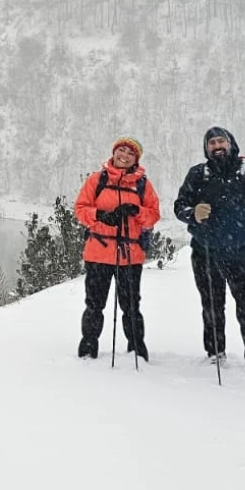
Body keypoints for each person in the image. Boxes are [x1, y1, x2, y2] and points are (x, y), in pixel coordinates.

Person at [173, 127, 245, 371]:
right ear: (206, 148)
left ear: (231, 143)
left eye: (221, 141)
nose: (217, 146)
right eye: (212, 143)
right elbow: (180, 205)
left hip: (242, 251)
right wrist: (192, 213)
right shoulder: (198, 174)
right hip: (206, 250)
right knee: (212, 304)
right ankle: (215, 352)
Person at [74, 137, 162, 360]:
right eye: (121, 150)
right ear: (113, 152)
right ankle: (88, 346)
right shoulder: (97, 179)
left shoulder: (143, 184)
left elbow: (153, 216)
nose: (124, 155)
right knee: (94, 304)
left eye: (130, 153)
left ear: (136, 159)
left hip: (130, 256)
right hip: (98, 253)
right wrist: (101, 215)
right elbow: (80, 209)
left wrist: (136, 211)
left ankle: (136, 348)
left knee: (131, 306)